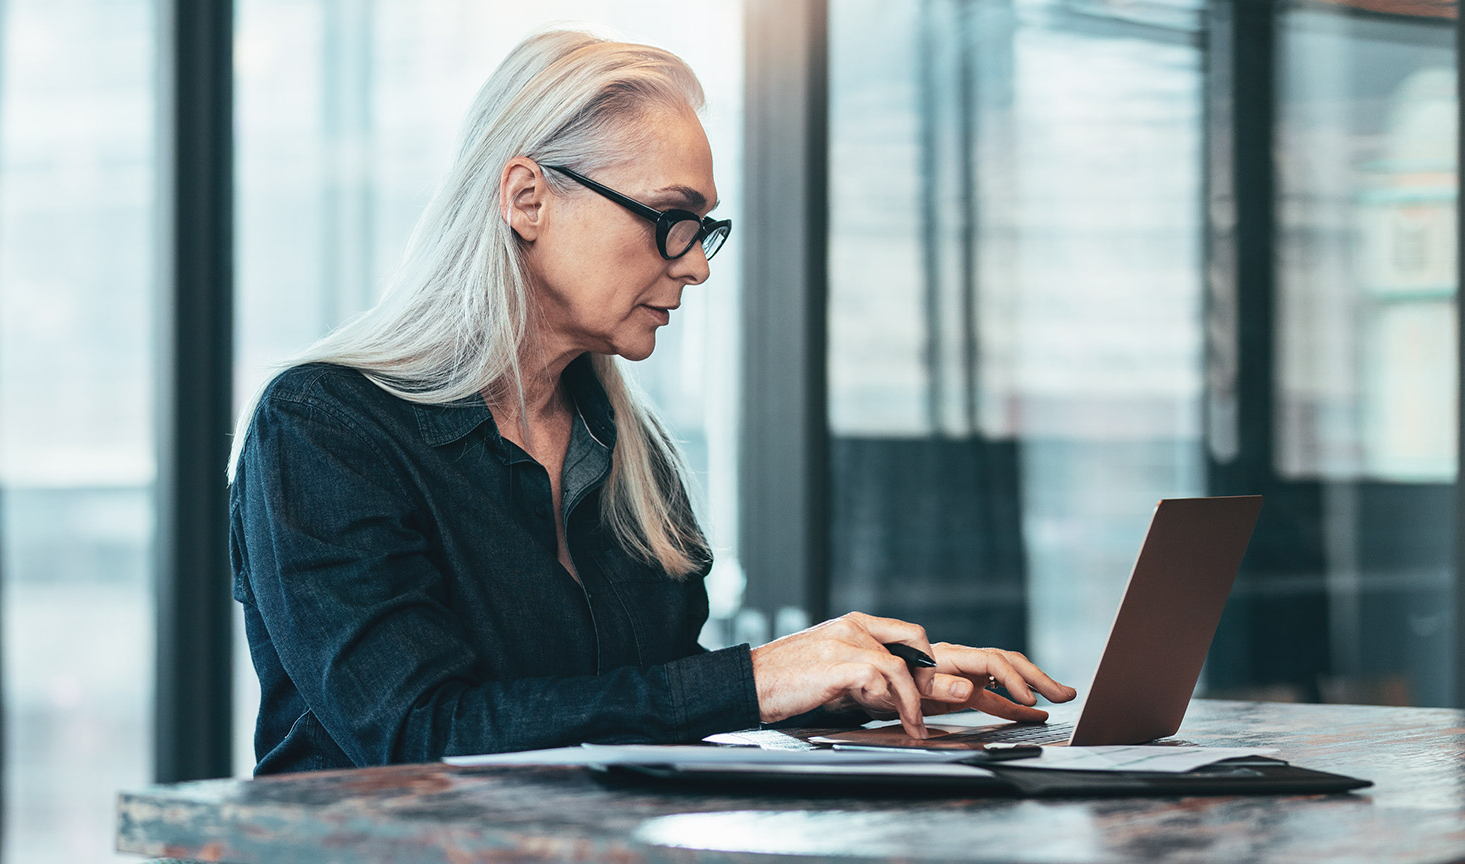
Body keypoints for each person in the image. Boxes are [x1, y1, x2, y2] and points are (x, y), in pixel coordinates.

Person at [228, 28, 1074, 776]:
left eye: (704, 229)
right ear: (527, 198)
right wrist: (761, 676)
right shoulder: (323, 428)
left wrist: (860, 683)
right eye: (671, 217)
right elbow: (416, 733)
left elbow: (638, 701)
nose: (696, 264)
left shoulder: (628, 453)